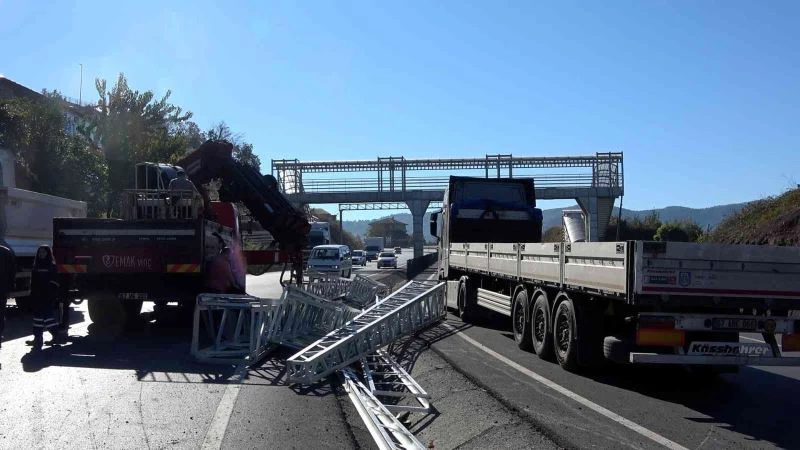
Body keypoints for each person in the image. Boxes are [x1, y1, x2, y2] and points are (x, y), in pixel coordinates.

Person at [25, 245, 63, 350]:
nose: (41, 254)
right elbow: (33, 282)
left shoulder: (52, 266)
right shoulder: (36, 266)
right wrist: (32, 294)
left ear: (48, 253)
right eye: (40, 252)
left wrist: (50, 294)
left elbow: (55, 282)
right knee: (37, 318)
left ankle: (56, 335)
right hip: (37, 296)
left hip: (47, 296)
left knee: (47, 317)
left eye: (43, 252)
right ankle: (38, 339)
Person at [0, 243, 16, 349]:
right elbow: (12, 272)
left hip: (3, 288)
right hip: (2, 288)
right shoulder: (7, 252)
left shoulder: (6, 252)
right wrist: (10, 288)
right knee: (1, 312)